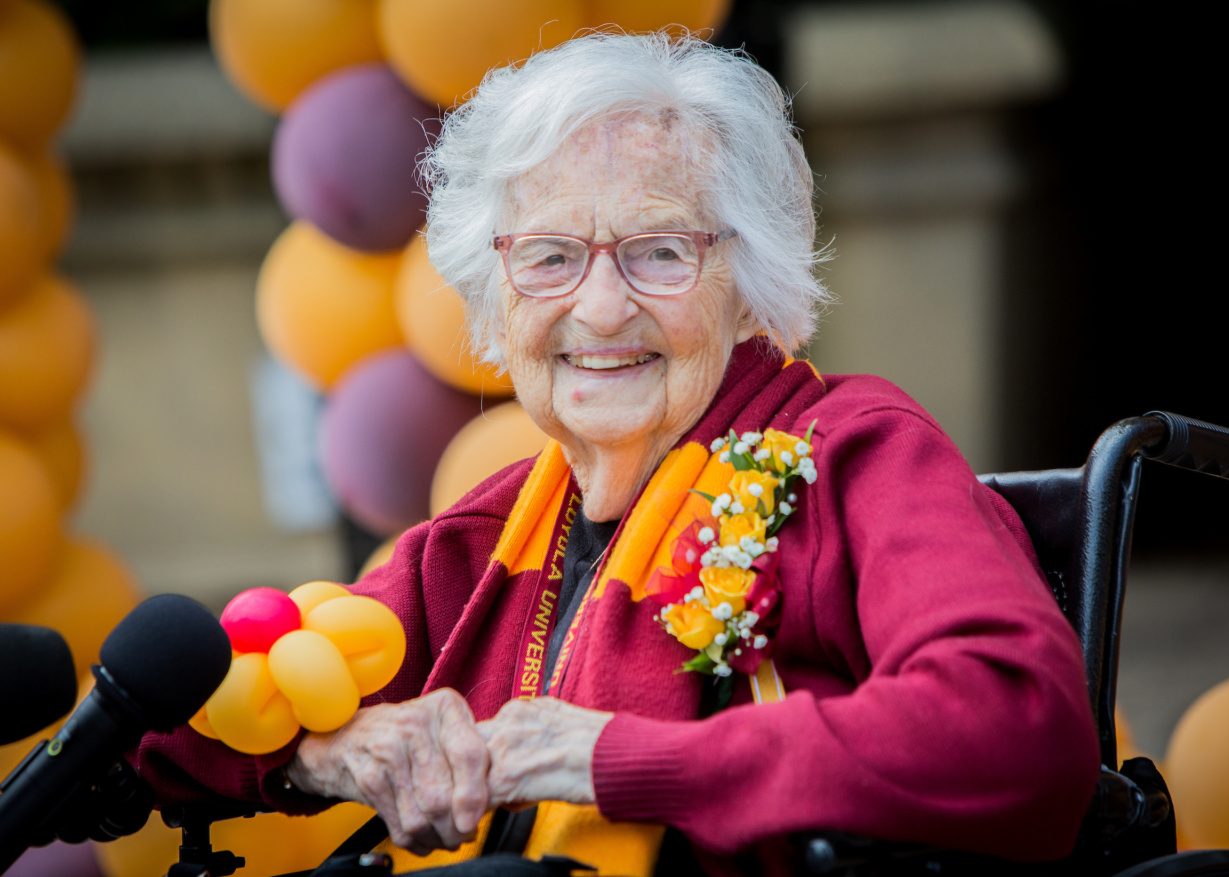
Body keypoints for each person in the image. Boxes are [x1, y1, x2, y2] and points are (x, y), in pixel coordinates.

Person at [134, 32, 1099, 876]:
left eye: (661, 251)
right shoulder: (479, 544)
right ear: (496, 296)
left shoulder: (855, 456)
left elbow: (1019, 727)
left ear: (750, 279)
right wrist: (330, 748)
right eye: (550, 257)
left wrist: (612, 757)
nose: (599, 307)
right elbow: (151, 731)